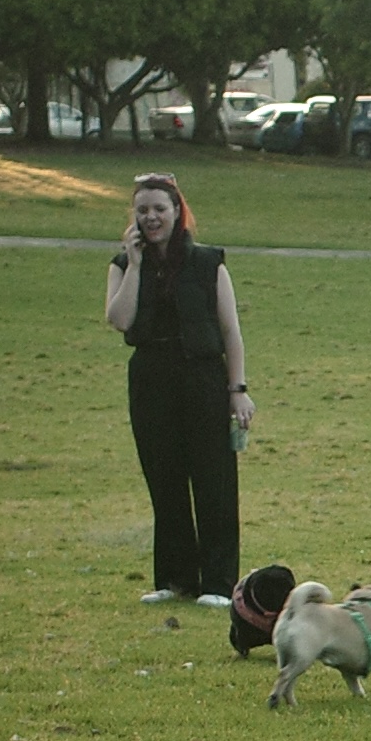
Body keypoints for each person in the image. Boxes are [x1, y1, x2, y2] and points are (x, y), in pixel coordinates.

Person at [103, 173, 253, 609]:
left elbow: (230, 330)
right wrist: (134, 265)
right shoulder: (123, 265)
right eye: (143, 210)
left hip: (203, 377)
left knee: (214, 481)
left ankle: (219, 583)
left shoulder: (208, 263)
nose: (151, 218)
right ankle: (175, 578)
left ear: (177, 212)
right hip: (151, 377)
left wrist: (237, 389)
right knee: (164, 479)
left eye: (159, 210)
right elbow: (120, 320)